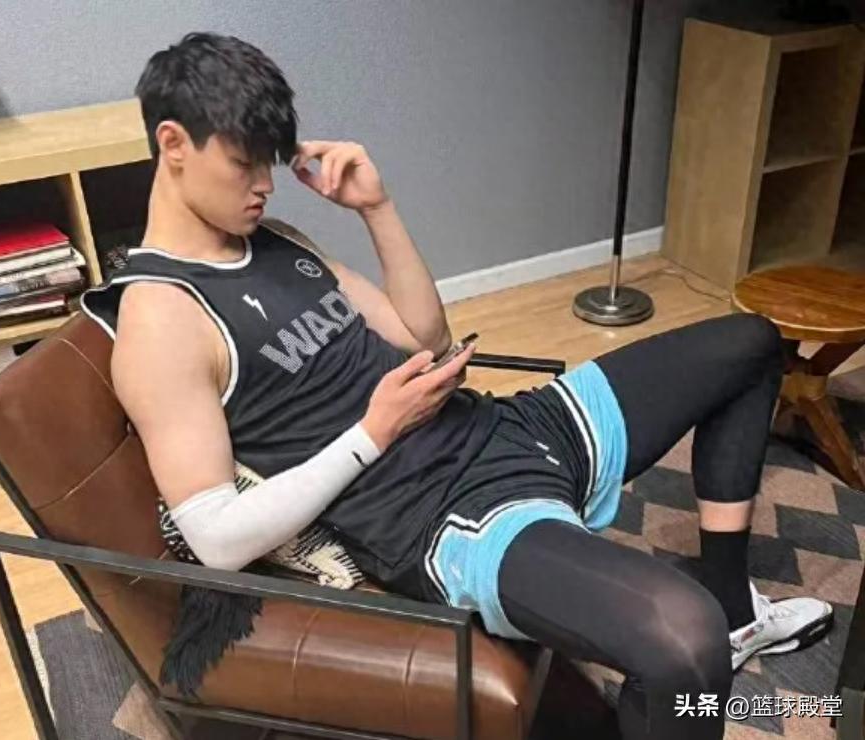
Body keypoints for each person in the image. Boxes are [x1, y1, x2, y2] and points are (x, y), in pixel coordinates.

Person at [79, 32, 834, 740]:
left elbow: (424, 338)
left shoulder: (275, 241)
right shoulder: (161, 322)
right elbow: (216, 539)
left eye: (269, 164)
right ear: (172, 144)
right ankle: (712, 631)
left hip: (507, 429)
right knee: (683, 643)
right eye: (245, 163)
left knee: (750, 343)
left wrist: (376, 208)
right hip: (449, 518)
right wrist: (374, 430)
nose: (265, 186)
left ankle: (737, 612)